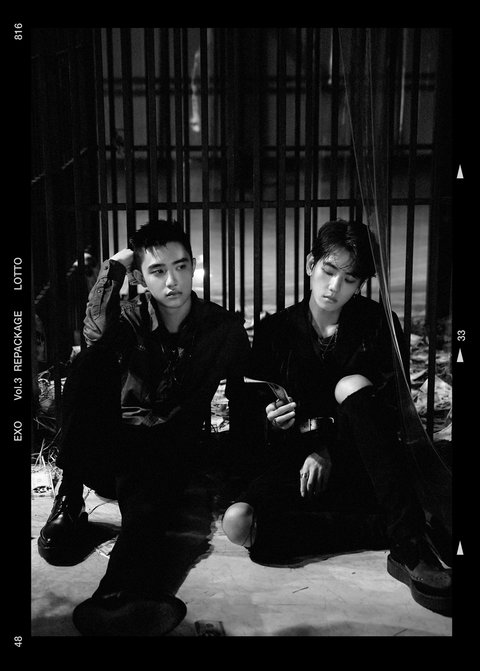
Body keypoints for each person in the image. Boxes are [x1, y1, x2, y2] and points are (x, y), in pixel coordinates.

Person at [222, 219, 451, 616]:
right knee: (238, 523)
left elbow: (389, 413)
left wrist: (325, 445)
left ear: (359, 284)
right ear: (310, 264)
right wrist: (271, 420)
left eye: (349, 280)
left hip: (365, 462)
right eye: (328, 271)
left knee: (351, 384)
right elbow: (247, 412)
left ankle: (408, 545)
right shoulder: (276, 330)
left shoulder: (376, 324)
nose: (334, 287)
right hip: (296, 465)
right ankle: (385, 529)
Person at [38, 220, 251, 636]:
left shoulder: (222, 328)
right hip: (113, 452)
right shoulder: (129, 319)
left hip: (173, 453)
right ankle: (70, 497)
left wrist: (240, 479)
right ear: (139, 277)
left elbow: (247, 402)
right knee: (88, 365)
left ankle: (120, 593)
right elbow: (94, 333)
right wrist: (115, 268)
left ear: (193, 266)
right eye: (158, 271)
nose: (173, 281)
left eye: (181, 266)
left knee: (148, 506)